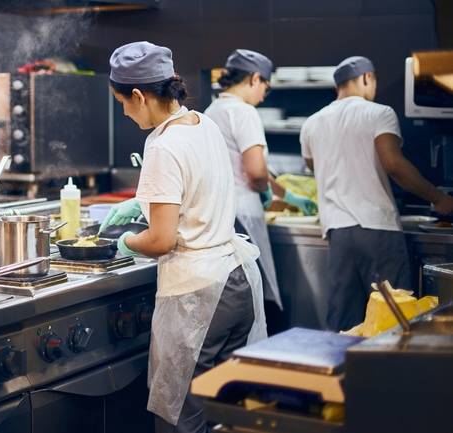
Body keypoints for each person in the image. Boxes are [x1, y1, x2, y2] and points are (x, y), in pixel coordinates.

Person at [101, 41, 267, 433]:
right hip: (237, 279)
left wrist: (125, 243)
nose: (123, 112)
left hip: (199, 297)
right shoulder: (202, 123)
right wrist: (141, 204)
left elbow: (161, 240)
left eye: (122, 102)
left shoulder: (162, 144)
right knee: (227, 413)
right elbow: (196, 193)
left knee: (181, 417)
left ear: (139, 95)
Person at [300, 55, 453, 331]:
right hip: (377, 228)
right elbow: (394, 165)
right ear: (366, 78)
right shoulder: (378, 113)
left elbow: (313, 166)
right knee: (394, 314)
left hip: (338, 230)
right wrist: (439, 198)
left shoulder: (312, 123)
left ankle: (340, 371)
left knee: (344, 320)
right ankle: (390, 372)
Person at [205, 49, 317, 321]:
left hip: (218, 214)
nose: (265, 93)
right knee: (254, 292)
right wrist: (266, 191)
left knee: (230, 293)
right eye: (265, 85)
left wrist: (284, 194)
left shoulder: (211, 110)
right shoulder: (244, 112)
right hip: (244, 215)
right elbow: (255, 171)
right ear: (254, 79)